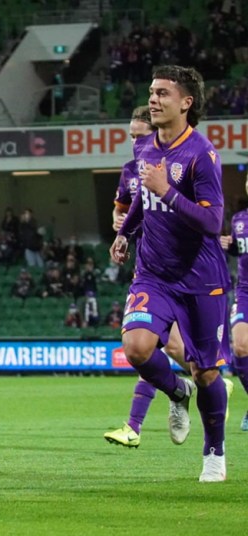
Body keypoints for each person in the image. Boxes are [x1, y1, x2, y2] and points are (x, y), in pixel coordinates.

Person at [110, 65, 229, 482]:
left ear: (186, 103)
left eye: (163, 93)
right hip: (154, 273)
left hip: (201, 278)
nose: (154, 98)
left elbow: (213, 223)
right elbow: (142, 198)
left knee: (207, 370)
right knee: (138, 348)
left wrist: (167, 191)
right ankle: (178, 392)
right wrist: (125, 233)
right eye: (152, 91)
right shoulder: (146, 150)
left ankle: (214, 452)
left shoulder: (202, 154)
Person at [219, 179, 248, 432]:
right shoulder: (239, 219)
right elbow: (240, 251)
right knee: (239, 347)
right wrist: (229, 246)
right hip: (245, 292)